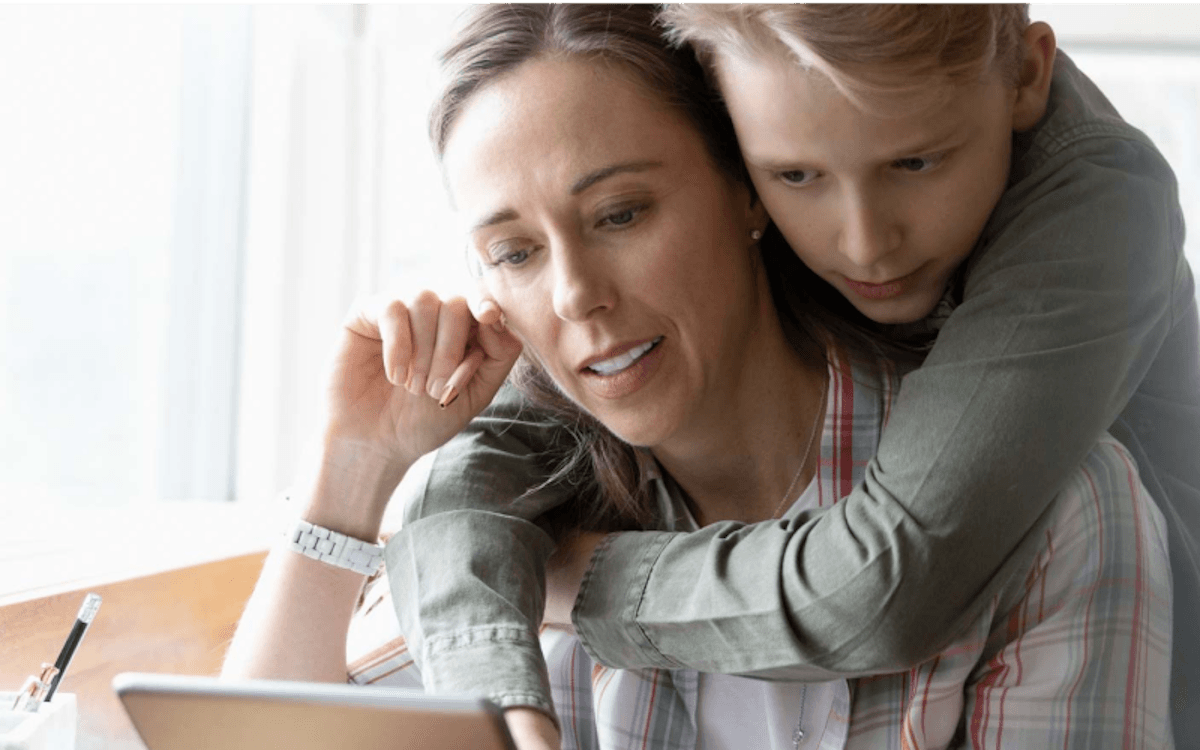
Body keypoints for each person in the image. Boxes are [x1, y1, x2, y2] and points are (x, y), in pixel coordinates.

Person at [223, 4, 1175, 748]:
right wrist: (351, 474)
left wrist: (581, 583)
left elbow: (884, 585)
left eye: (622, 214)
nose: (577, 296)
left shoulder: (1061, 509)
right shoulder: (515, 518)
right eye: (514, 253)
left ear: (744, 191)